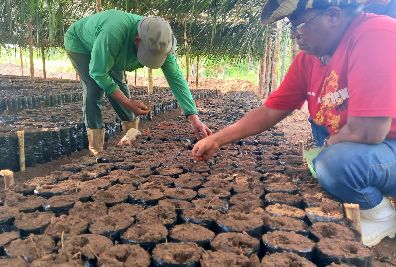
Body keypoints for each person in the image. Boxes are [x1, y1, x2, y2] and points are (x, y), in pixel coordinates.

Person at [192, 0, 396, 247]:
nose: (295, 34)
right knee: (327, 154)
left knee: (334, 164)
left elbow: (369, 131)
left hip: (386, 144)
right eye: (292, 27)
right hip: (363, 149)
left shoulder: (375, 34)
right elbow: (269, 111)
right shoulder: (308, 61)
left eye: (301, 24)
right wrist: (217, 139)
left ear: (333, 15)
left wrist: (330, 146)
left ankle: (381, 215)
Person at [64, 9, 212, 160]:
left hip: (109, 50)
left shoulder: (160, 43)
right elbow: (98, 72)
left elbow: (177, 80)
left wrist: (194, 118)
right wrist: (127, 102)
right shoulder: (114, 33)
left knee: (119, 85)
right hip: (80, 43)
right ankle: (96, 149)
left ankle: (131, 136)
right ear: (137, 39)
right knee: (94, 89)